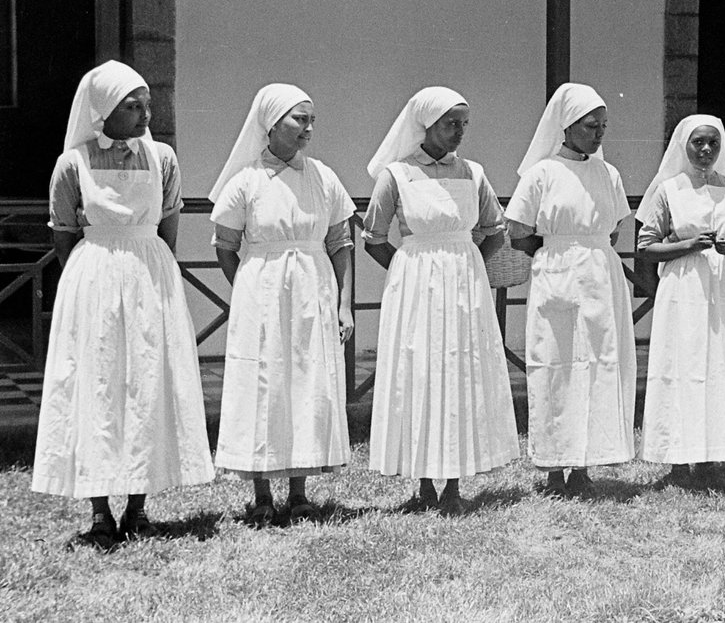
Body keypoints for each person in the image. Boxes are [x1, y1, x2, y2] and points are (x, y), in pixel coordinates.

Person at [32, 61, 214, 550]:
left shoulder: (163, 159)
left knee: (146, 385)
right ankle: (99, 512)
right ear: (104, 112)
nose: (144, 115)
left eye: (147, 105)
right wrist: (96, 275)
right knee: (99, 385)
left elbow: (167, 229)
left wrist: (150, 271)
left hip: (148, 276)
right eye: (132, 107)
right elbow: (64, 234)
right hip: (94, 281)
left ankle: (138, 507)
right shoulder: (74, 164)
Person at [362, 86, 519, 515]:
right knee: (422, 370)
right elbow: (373, 238)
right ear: (426, 125)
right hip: (417, 286)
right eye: (451, 124)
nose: (459, 133)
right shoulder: (396, 175)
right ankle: (422, 481)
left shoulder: (473, 173)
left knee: (460, 369)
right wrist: (408, 269)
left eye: (464, 124)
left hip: (464, 284)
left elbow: (496, 229)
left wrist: (470, 264)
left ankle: (453, 481)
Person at [208, 84, 356, 526]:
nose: (309, 128)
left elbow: (341, 242)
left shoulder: (324, 177)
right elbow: (226, 245)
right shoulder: (246, 181)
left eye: (312, 120)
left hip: (313, 289)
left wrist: (344, 305)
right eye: (299, 119)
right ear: (271, 124)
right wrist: (252, 288)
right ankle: (261, 494)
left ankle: (299, 491)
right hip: (262, 293)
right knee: (263, 385)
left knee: (306, 383)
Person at [505, 83, 636, 498]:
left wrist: (589, 251)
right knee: (556, 366)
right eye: (590, 126)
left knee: (597, 365)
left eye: (603, 126)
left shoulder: (607, 173)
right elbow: (518, 231)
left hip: (600, 276)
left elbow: (613, 228)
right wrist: (555, 251)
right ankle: (552, 465)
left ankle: (584, 463)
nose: (598, 134)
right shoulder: (541, 173)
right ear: (567, 127)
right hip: (556, 274)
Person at [636, 115, 725, 487]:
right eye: (698, 143)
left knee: (721, 365)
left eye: (713, 144)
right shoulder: (669, 190)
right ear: (683, 146)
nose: (706, 151)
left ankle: (710, 457)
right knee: (684, 365)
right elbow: (646, 246)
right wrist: (686, 245)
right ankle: (678, 459)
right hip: (685, 286)